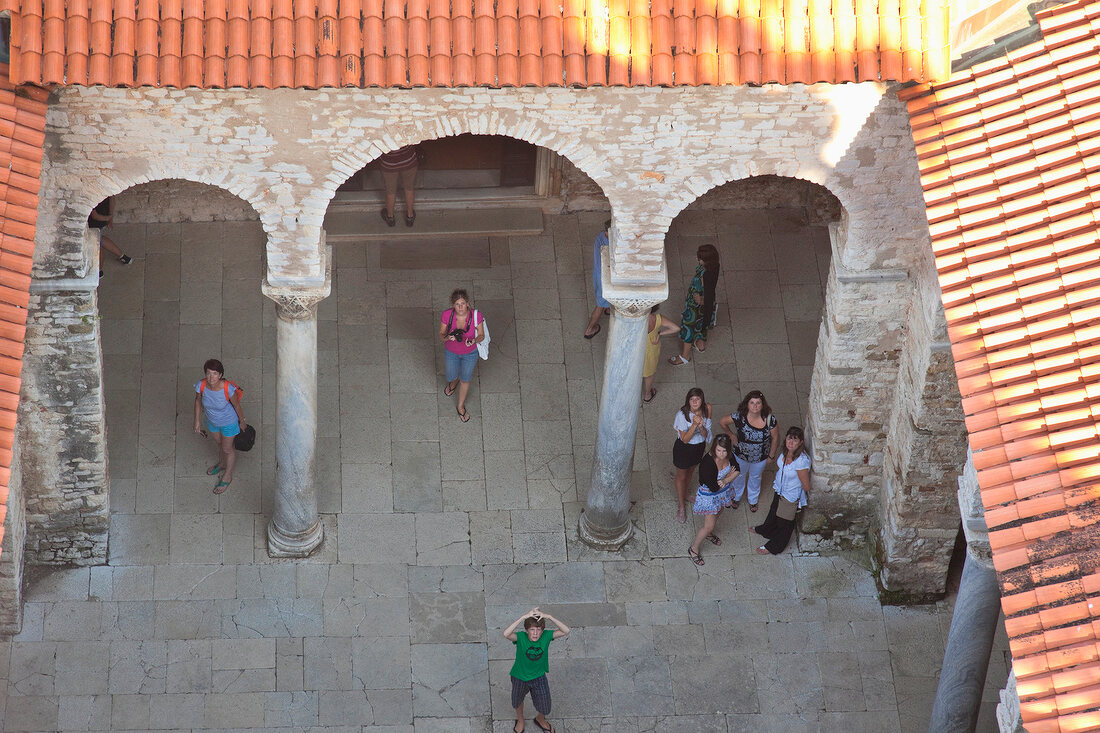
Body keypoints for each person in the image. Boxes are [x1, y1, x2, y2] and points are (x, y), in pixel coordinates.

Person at [503, 607, 571, 733]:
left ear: (542, 631)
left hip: (539, 676)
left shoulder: (546, 636)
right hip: (519, 676)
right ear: (527, 631)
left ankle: (540, 719)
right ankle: (521, 720)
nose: (535, 633)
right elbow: (506, 634)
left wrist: (549, 616)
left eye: (538, 630)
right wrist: (523, 617)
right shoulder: (521, 638)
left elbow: (566, 630)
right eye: (532, 630)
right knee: (517, 701)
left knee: (546, 705)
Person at [751, 426, 811, 555]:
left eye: (795, 440)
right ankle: (766, 530)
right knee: (774, 512)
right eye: (789, 438)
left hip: (790, 495)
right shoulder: (786, 451)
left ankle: (774, 546)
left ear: (800, 442)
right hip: (779, 489)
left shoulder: (801, 462)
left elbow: (806, 486)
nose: (790, 442)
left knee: (784, 523)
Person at [719, 390, 780, 512]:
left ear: (763, 405)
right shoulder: (739, 417)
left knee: (755, 477)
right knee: (738, 475)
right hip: (740, 455)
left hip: (760, 457)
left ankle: (753, 499)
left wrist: (771, 456)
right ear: (747, 404)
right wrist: (730, 434)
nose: (755, 406)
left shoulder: (769, 420)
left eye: (758, 403)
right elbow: (722, 422)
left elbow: (775, 437)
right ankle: (736, 496)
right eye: (752, 402)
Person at [193, 359, 247, 494]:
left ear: (221, 375)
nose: (211, 377)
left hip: (228, 423)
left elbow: (236, 405)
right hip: (212, 422)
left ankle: (227, 476)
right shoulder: (201, 385)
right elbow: (198, 401)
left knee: (227, 448)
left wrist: (242, 420)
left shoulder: (228, 388)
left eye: (215, 373)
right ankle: (222, 463)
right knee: (219, 444)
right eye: (208, 373)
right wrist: (197, 421)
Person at [688, 433, 739, 566]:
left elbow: (738, 469)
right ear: (714, 449)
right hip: (710, 495)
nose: (722, 454)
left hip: (723, 491)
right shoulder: (707, 463)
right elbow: (714, 487)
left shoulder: (729, 456)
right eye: (718, 450)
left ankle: (709, 534)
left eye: (724, 451)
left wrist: (726, 479)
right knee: (708, 525)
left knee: (720, 511)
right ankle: (694, 548)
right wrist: (729, 475)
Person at [438, 288, 485, 423]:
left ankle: (460, 406)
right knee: (451, 375)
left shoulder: (476, 316)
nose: (460, 307)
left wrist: (474, 341)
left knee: (465, 379)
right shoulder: (447, 315)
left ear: (468, 303)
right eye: (457, 304)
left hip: (470, 353)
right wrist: (448, 337)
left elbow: (481, 335)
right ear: (453, 305)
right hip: (451, 352)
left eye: (463, 303)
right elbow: (441, 334)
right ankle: (453, 382)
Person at [669, 243, 720, 365]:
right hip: (708, 303)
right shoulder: (714, 267)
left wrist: (701, 299)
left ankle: (685, 356)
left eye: (699, 258)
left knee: (689, 326)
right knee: (702, 323)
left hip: (696, 306)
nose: (697, 259)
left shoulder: (705, 275)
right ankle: (700, 343)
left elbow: (705, 292)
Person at [672, 387, 712, 522]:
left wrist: (701, 426)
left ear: (702, 400)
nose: (695, 402)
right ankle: (681, 506)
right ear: (688, 401)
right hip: (684, 449)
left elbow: (706, 435)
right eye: (692, 399)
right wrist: (694, 425)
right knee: (681, 476)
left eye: (697, 399)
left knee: (690, 472)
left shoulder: (707, 409)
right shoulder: (682, 415)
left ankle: (685, 493)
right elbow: (685, 439)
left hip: (698, 447)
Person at [641, 304, 680, 403]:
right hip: (651, 349)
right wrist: (660, 333)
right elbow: (676, 328)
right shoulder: (658, 318)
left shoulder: (636, 319)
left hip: (637, 349)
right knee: (649, 374)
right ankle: (647, 395)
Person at [88, 197, 132, 274]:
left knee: (97, 247)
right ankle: (123, 257)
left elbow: (95, 216)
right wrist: (110, 218)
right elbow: (112, 200)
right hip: (103, 220)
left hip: (94, 223)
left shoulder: (90, 194)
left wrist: (107, 218)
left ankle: (99, 271)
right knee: (100, 239)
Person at [583, 220, 612, 339]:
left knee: (603, 301)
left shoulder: (600, 236)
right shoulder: (610, 243)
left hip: (597, 274)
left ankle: (609, 308)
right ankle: (590, 329)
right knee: (599, 305)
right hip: (604, 279)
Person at [378, 144, 419, 227]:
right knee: (409, 188)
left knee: (390, 192)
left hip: (389, 163)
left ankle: (390, 217)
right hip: (408, 160)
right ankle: (410, 217)